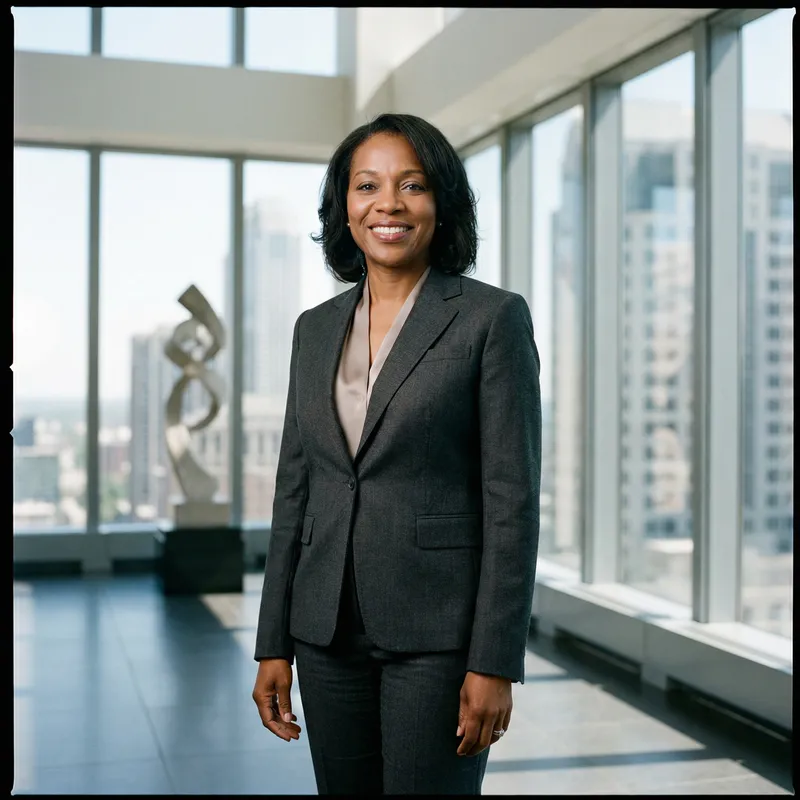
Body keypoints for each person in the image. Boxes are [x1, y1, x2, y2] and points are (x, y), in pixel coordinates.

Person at [252, 112, 542, 795]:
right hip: (325, 633)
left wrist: (495, 660)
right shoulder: (314, 330)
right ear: (344, 208)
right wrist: (273, 643)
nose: (388, 203)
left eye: (412, 185)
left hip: (437, 637)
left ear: (441, 205)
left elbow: (513, 502)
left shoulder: (490, 319)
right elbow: (295, 490)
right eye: (367, 186)